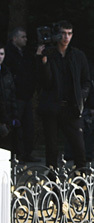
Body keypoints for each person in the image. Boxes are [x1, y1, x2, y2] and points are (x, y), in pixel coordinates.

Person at [36, 20, 90, 169]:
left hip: (71, 107)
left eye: (69, 33)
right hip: (52, 107)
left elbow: (86, 80)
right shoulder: (50, 54)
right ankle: (52, 185)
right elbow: (44, 83)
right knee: (51, 148)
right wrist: (42, 61)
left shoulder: (78, 55)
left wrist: (81, 97)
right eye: (63, 34)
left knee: (79, 148)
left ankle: (81, 184)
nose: (66, 37)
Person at [3, 27, 38, 162]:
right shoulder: (9, 54)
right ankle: (15, 153)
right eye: (22, 37)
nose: (25, 39)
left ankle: (26, 152)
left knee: (28, 125)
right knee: (15, 125)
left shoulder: (25, 54)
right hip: (16, 94)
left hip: (26, 94)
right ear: (15, 38)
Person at [0, 45, 18, 152]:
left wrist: (14, 116)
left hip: (6, 116)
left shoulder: (7, 72)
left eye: (1, 54)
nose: (0, 57)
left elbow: (12, 95)